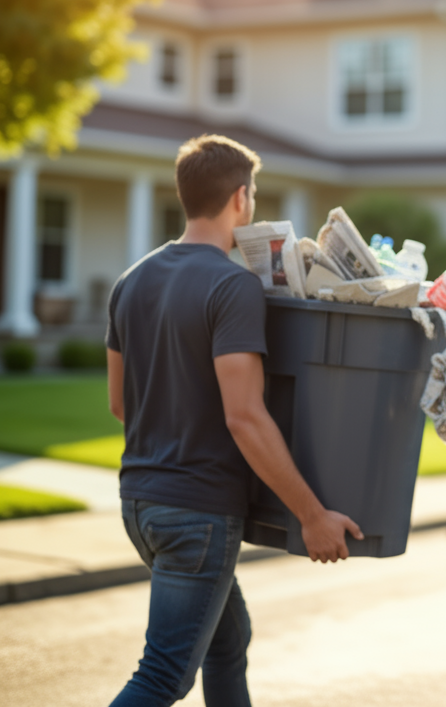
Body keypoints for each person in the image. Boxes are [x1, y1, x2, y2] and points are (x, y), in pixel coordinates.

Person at [106, 134, 363, 706]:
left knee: (228, 640)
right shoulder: (232, 285)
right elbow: (245, 418)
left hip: (140, 505)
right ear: (242, 199)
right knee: (163, 676)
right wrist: (313, 515)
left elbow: (120, 405)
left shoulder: (130, 281)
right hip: (196, 513)